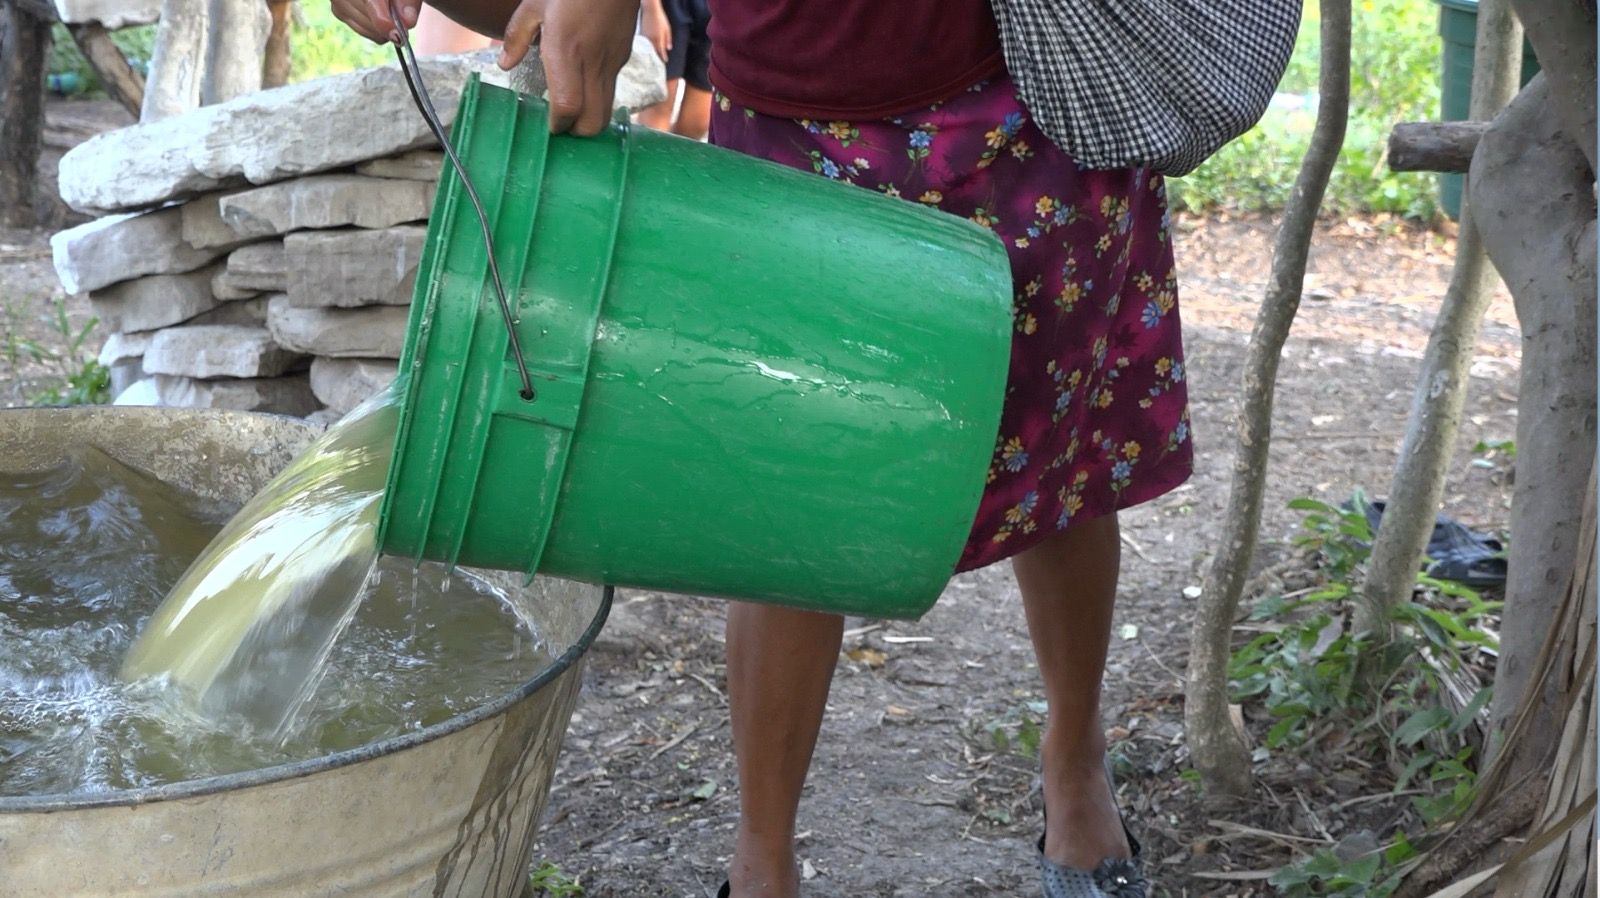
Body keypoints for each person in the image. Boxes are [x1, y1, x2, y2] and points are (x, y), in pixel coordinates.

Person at [333, 3, 1193, 896]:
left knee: (1063, 464)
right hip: (786, 122)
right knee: (783, 493)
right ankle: (762, 857)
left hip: (1022, 98)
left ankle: (1075, 760)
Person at [634, 0, 712, 139]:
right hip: (671, 7)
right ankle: (652, 156)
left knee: (698, 123)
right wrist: (651, 9)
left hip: (718, 11)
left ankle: (670, 155)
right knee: (657, 108)